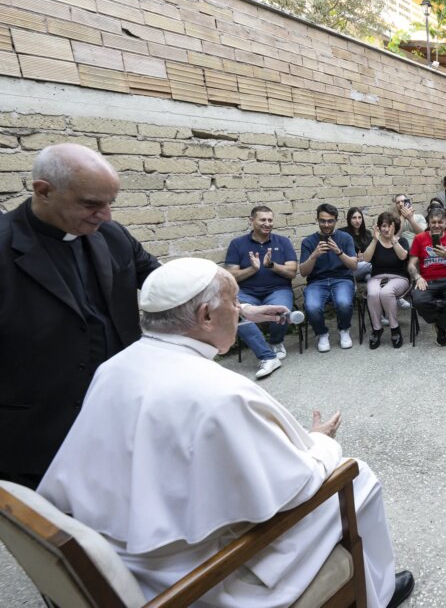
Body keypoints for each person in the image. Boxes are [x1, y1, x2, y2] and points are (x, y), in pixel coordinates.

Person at [37, 258, 414, 607]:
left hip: (134, 562)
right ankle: (374, 594)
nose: (240, 310)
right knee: (358, 476)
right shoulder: (219, 393)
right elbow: (292, 486)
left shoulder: (114, 367)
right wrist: (319, 442)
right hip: (206, 578)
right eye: (236, 303)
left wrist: (244, 314)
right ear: (204, 316)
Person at [0, 144, 288, 490]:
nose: (106, 215)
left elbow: (169, 288)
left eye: (111, 203)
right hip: (43, 425)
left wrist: (239, 309)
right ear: (44, 191)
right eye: (92, 204)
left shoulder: (112, 235)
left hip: (122, 406)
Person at [224, 205, 298, 379]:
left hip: (278, 290)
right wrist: (252, 269)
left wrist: (271, 265)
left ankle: (276, 342)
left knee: (281, 309)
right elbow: (230, 275)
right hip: (247, 292)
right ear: (251, 221)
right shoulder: (237, 244)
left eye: (270, 220)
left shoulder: (283, 242)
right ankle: (267, 356)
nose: (267, 223)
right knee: (236, 312)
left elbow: (292, 272)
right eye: (262, 220)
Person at [300, 203, 358, 353]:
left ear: (336, 220)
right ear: (317, 220)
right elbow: (303, 272)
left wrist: (339, 252)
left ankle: (344, 330)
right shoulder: (308, 242)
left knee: (344, 302)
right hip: (317, 282)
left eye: (330, 221)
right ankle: (322, 333)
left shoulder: (345, 238)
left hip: (342, 279)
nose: (326, 225)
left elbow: (353, 266)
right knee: (312, 307)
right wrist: (314, 255)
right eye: (322, 221)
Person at [408, 207, 446, 346]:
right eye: (433, 222)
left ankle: (443, 324)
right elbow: (411, 265)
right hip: (428, 280)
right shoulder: (419, 238)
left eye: (440, 222)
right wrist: (417, 277)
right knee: (418, 301)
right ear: (428, 222)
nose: (436, 225)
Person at [364, 211, 410, 350]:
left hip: (399, 277)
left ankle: (394, 328)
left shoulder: (401, 241)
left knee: (386, 292)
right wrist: (374, 240)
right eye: (383, 226)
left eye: (389, 226)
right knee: (372, 294)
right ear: (378, 227)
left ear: (394, 227)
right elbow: (366, 259)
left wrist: (393, 240)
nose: (386, 229)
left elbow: (403, 257)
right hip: (377, 277)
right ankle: (377, 329)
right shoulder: (375, 242)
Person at [344, 206, 373, 283]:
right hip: (351, 268)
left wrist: (365, 256)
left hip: (363, 268)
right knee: (371, 266)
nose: (357, 221)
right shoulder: (344, 233)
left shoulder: (367, 234)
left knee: (369, 277)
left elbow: (372, 252)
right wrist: (355, 257)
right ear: (349, 219)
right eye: (354, 218)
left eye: (360, 217)